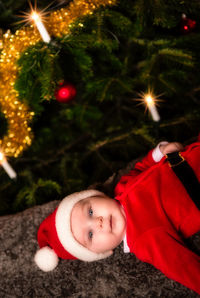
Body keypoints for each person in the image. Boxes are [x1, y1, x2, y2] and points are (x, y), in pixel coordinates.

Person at [34, 136, 200, 295]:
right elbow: (181, 265)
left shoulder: (122, 188)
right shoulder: (143, 239)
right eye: (90, 235)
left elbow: (141, 167)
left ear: (95, 196)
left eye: (90, 212)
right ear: (103, 252)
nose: (98, 222)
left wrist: (160, 152)